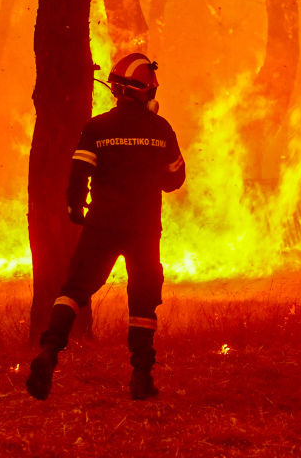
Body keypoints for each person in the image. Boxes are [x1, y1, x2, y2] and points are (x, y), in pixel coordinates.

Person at [26, 53, 186, 402]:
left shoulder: (97, 128)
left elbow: (79, 172)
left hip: (102, 223)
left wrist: (75, 206)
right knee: (143, 300)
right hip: (143, 228)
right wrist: (149, 169)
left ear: (117, 90)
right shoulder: (161, 129)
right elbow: (175, 179)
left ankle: (48, 352)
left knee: (75, 289)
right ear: (145, 91)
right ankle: (141, 377)